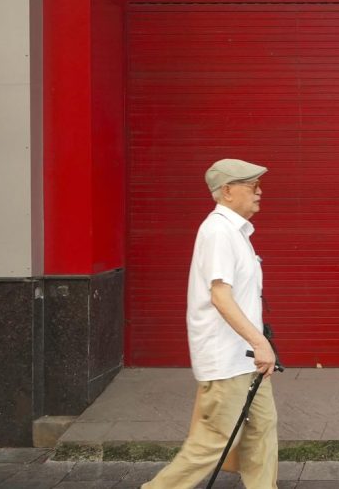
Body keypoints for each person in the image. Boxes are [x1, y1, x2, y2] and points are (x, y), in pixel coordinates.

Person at [144, 158, 278, 488]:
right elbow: (220, 296)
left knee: (261, 430)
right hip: (226, 360)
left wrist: (257, 343)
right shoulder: (218, 232)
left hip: (246, 358)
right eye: (253, 185)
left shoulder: (236, 232)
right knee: (211, 443)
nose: (260, 192)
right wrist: (260, 342)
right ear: (227, 191)